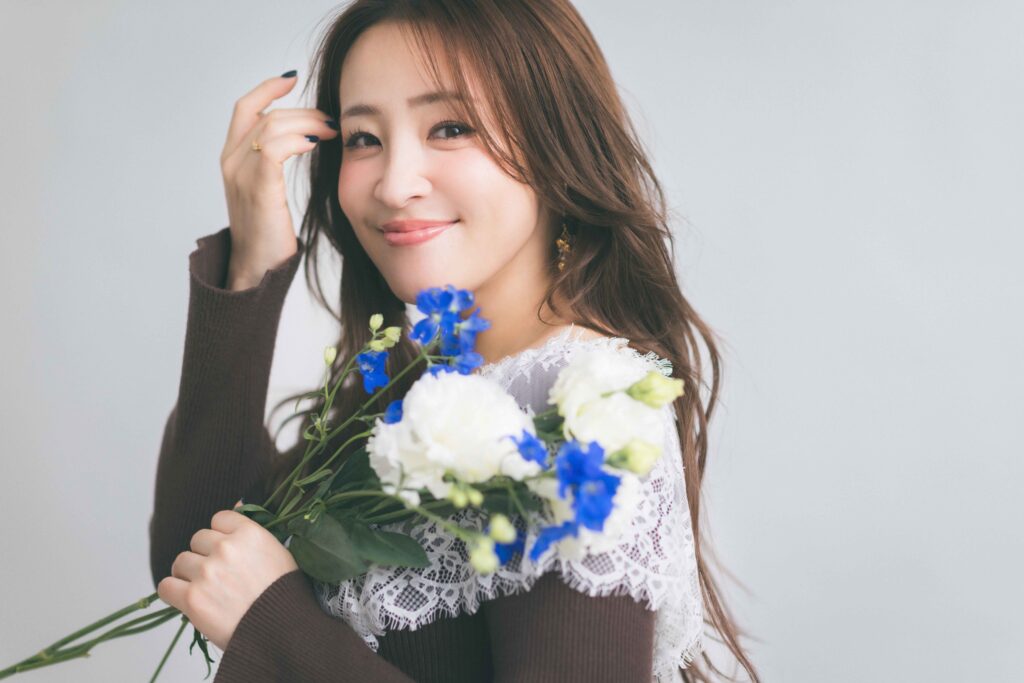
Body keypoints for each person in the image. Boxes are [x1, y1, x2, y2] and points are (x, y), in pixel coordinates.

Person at [148, 1, 762, 681]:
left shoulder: (589, 410)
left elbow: (248, 604)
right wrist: (251, 266)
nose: (394, 184)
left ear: (555, 143)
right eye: (363, 138)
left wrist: (280, 626)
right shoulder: (423, 393)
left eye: (449, 127)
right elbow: (199, 564)